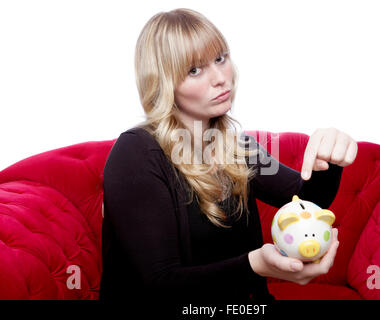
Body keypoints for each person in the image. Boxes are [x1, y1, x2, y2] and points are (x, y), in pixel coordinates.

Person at [99, 8, 358, 302]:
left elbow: (307, 202)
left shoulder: (238, 148)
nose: (221, 78)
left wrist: (330, 158)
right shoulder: (135, 153)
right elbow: (159, 284)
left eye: (220, 58)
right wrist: (256, 264)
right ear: (163, 84)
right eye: (194, 70)